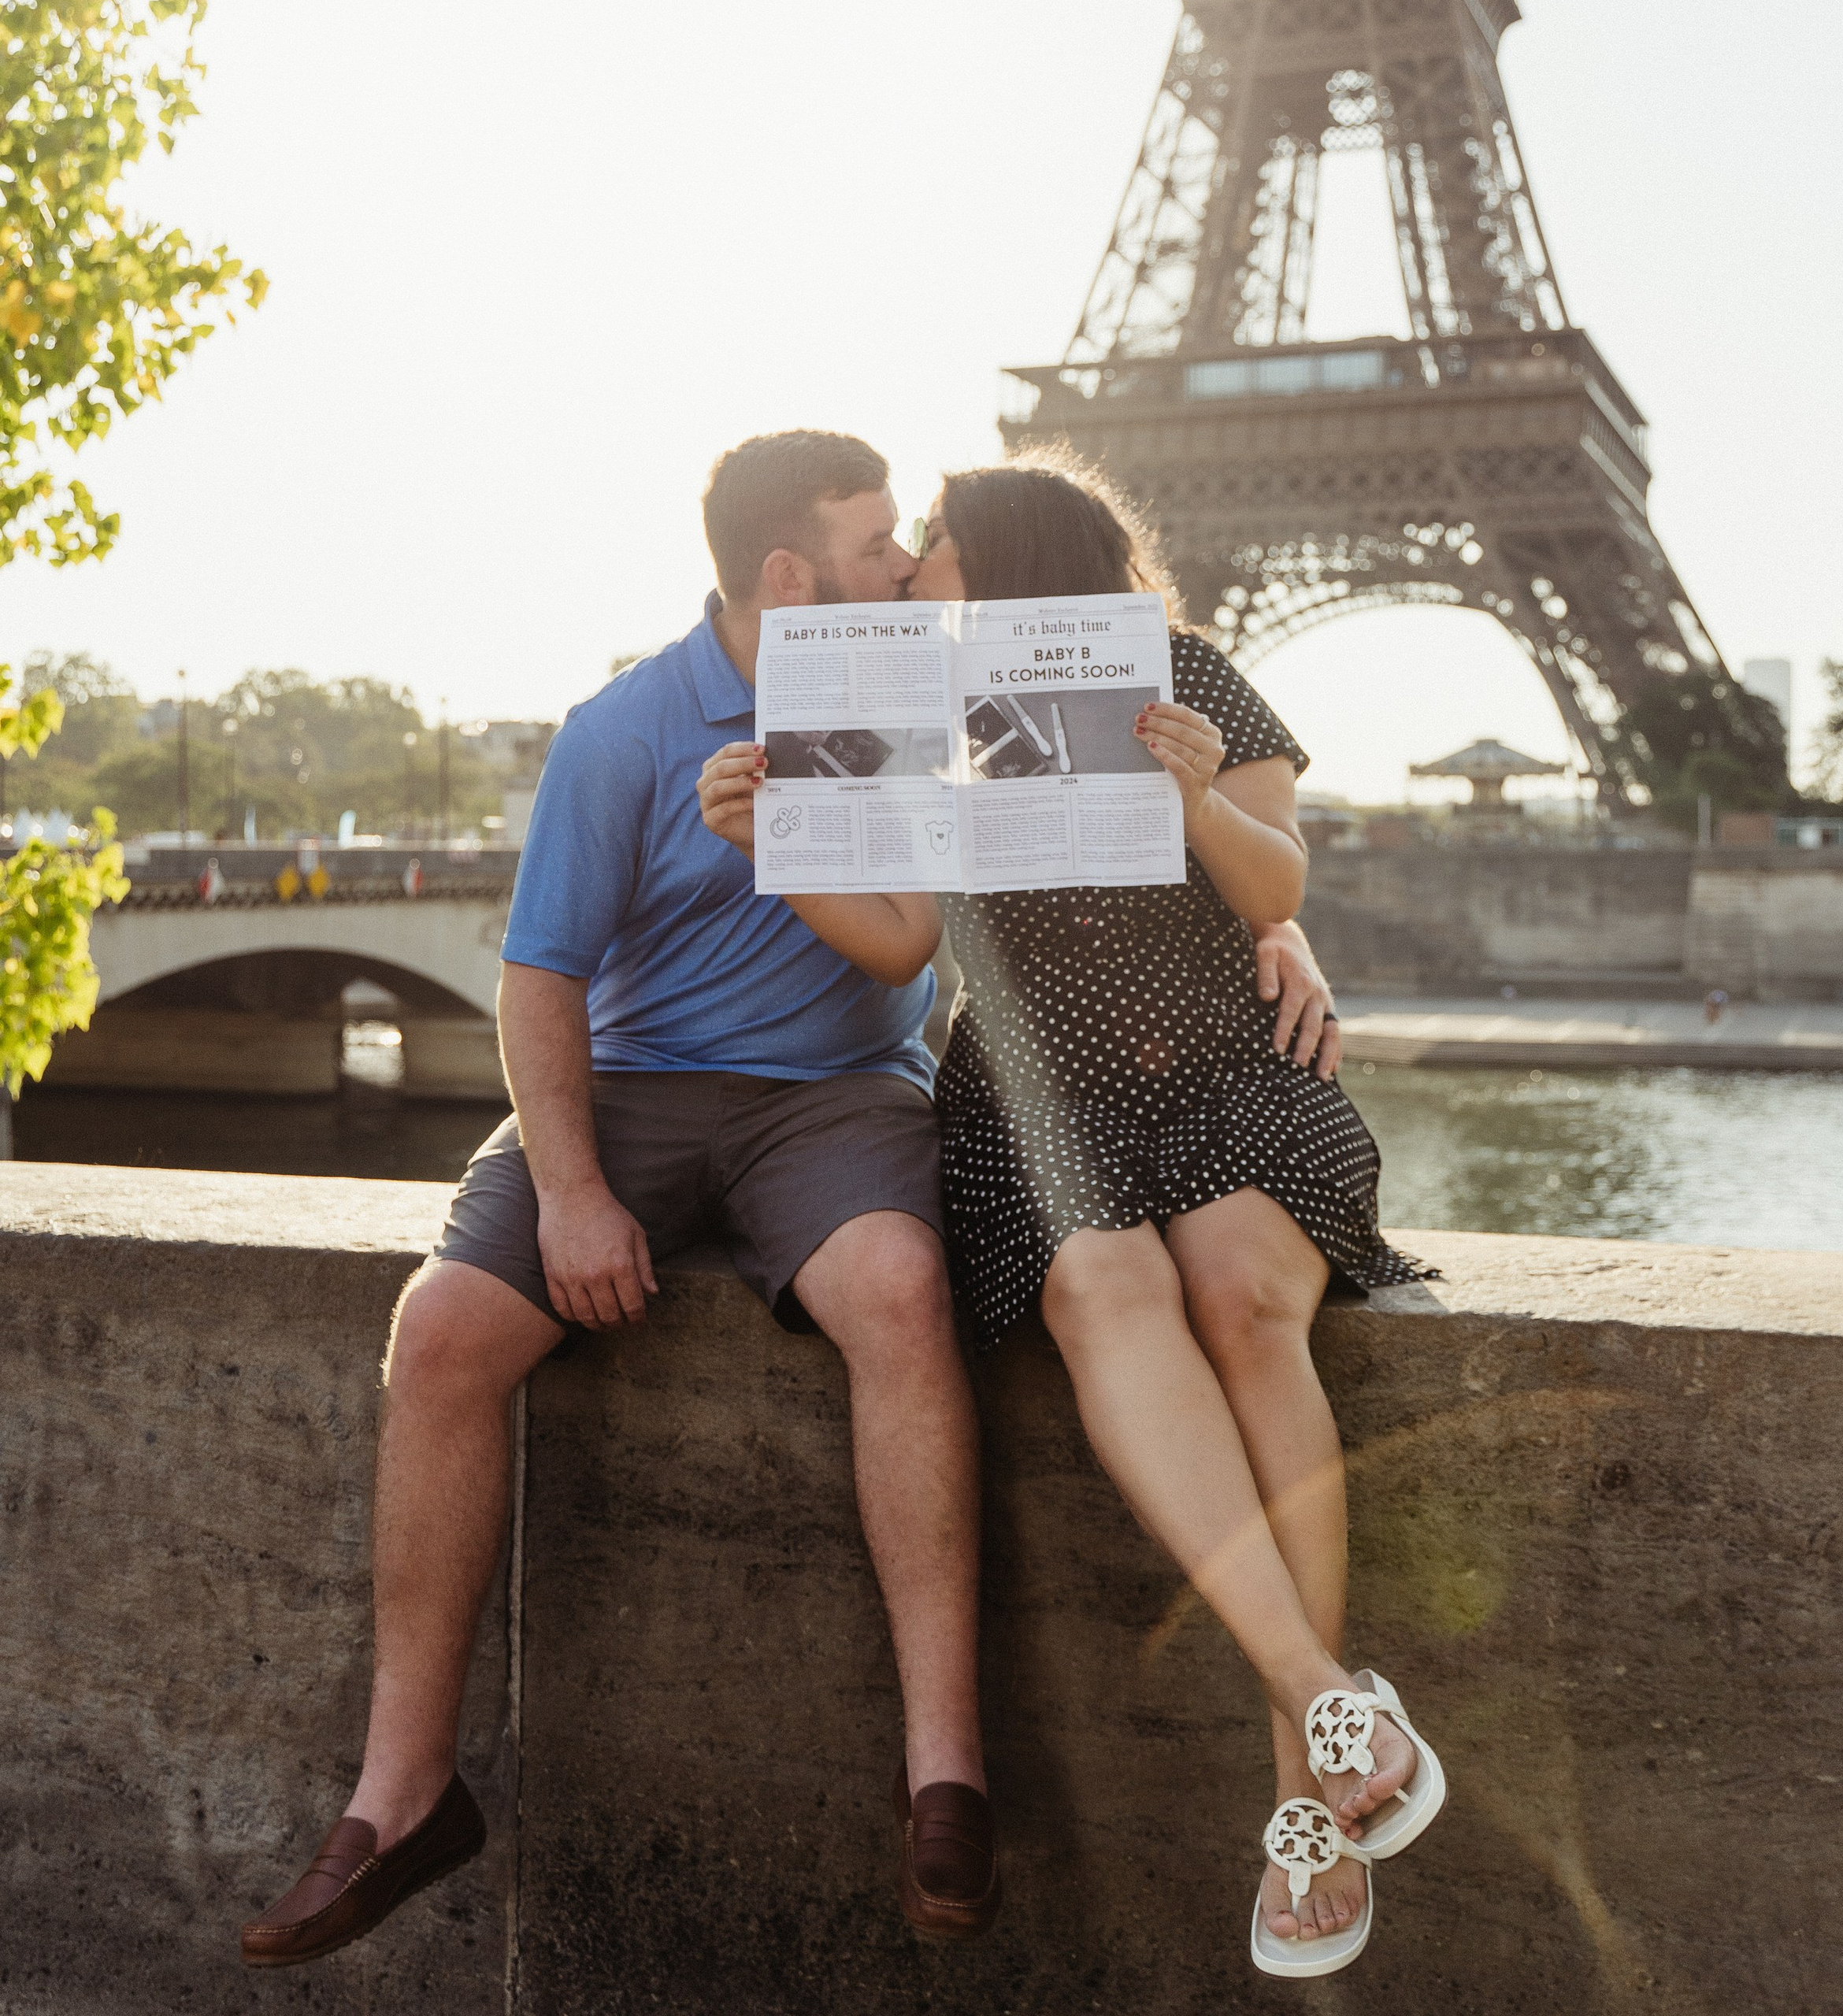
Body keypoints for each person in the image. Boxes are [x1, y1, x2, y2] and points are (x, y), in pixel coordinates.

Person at [241, 430, 1344, 1966]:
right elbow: (551, 978)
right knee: (436, 1333)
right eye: (878, 542)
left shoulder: (931, 687)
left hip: (843, 1100)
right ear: (788, 571)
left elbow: (1020, 914)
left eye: (913, 541)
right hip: (645, 1094)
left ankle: (948, 1772)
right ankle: (398, 1790)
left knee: (915, 1288)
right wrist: (572, 1187)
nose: (901, 565)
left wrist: (1275, 925)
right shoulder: (631, 729)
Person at [700, 450, 1443, 1981]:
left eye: (938, 549)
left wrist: (1189, 798)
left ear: (1013, 555)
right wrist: (773, 847)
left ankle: (1301, 1795)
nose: (915, 574)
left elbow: (1276, 888)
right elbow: (899, 943)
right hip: (1045, 1108)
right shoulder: (912, 711)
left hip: (1230, 1075)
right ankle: (1323, 1698)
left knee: (1244, 1295)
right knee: (1105, 1288)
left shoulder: (1188, 674)